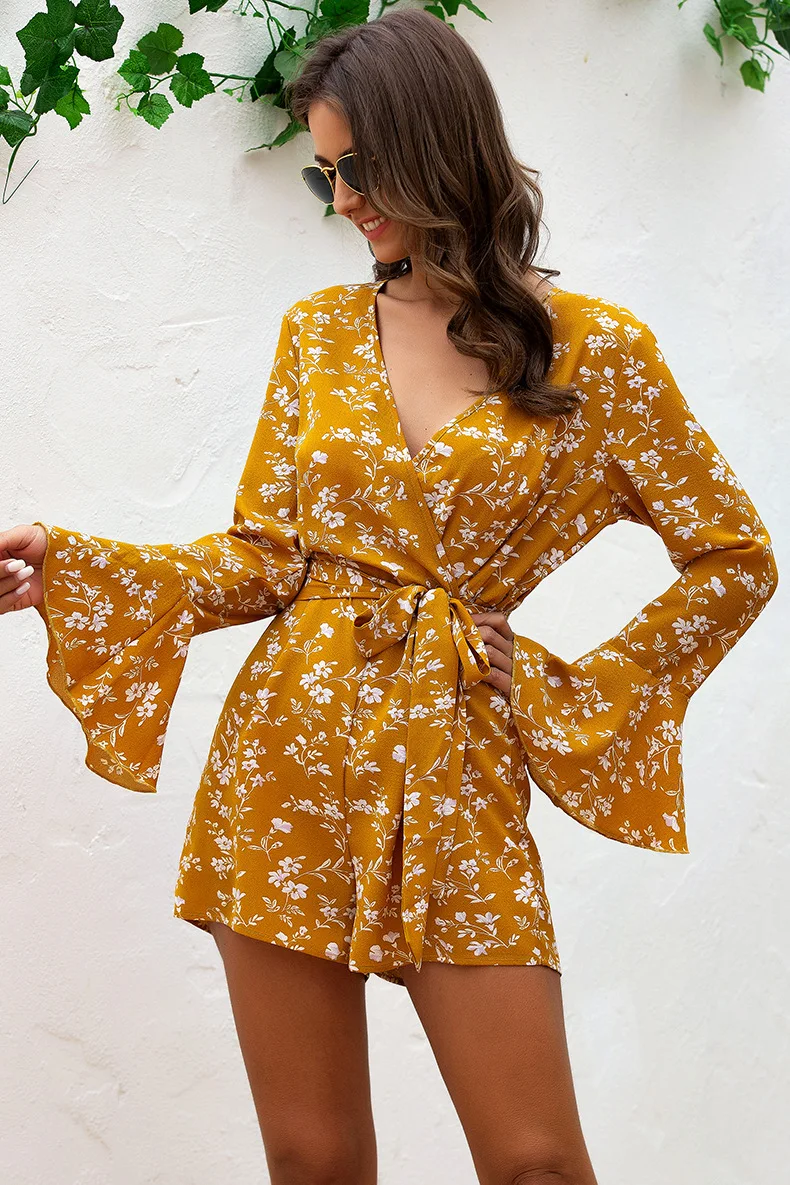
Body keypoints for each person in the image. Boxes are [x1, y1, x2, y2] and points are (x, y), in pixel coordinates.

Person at [1, 9, 778, 1185]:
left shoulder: (596, 352)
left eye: (357, 167)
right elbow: (266, 559)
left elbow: (732, 555)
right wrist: (68, 562)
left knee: (534, 1162)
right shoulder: (317, 335)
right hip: (285, 763)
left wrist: (575, 684)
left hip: (456, 761)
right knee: (313, 1162)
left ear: (433, 140)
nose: (342, 201)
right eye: (324, 174)